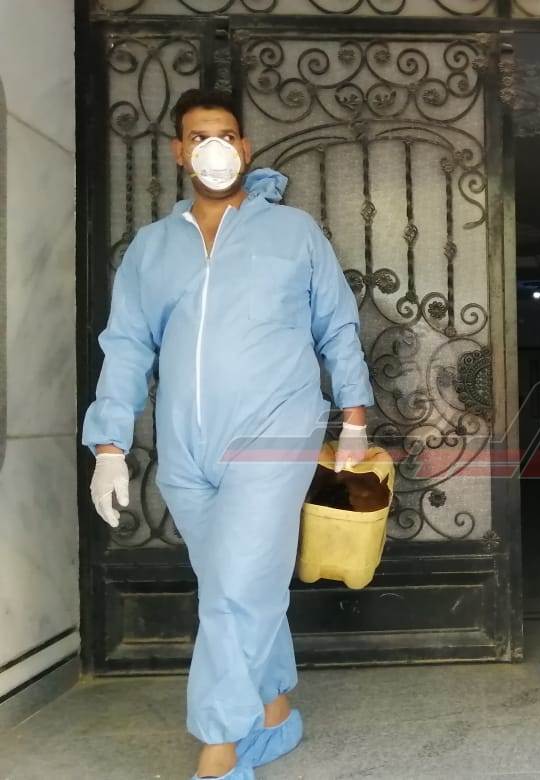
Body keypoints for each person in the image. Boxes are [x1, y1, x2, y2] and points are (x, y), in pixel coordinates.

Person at [83, 88, 374, 780]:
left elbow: (336, 323)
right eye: (198, 136)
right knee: (234, 584)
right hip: (187, 448)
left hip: (274, 433)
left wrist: (355, 413)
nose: (213, 147)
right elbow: (127, 345)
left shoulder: (293, 232)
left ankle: (218, 747)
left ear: (244, 147)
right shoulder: (152, 248)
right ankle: (275, 710)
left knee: (235, 588)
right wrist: (109, 445)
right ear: (179, 152)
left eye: (225, 135)